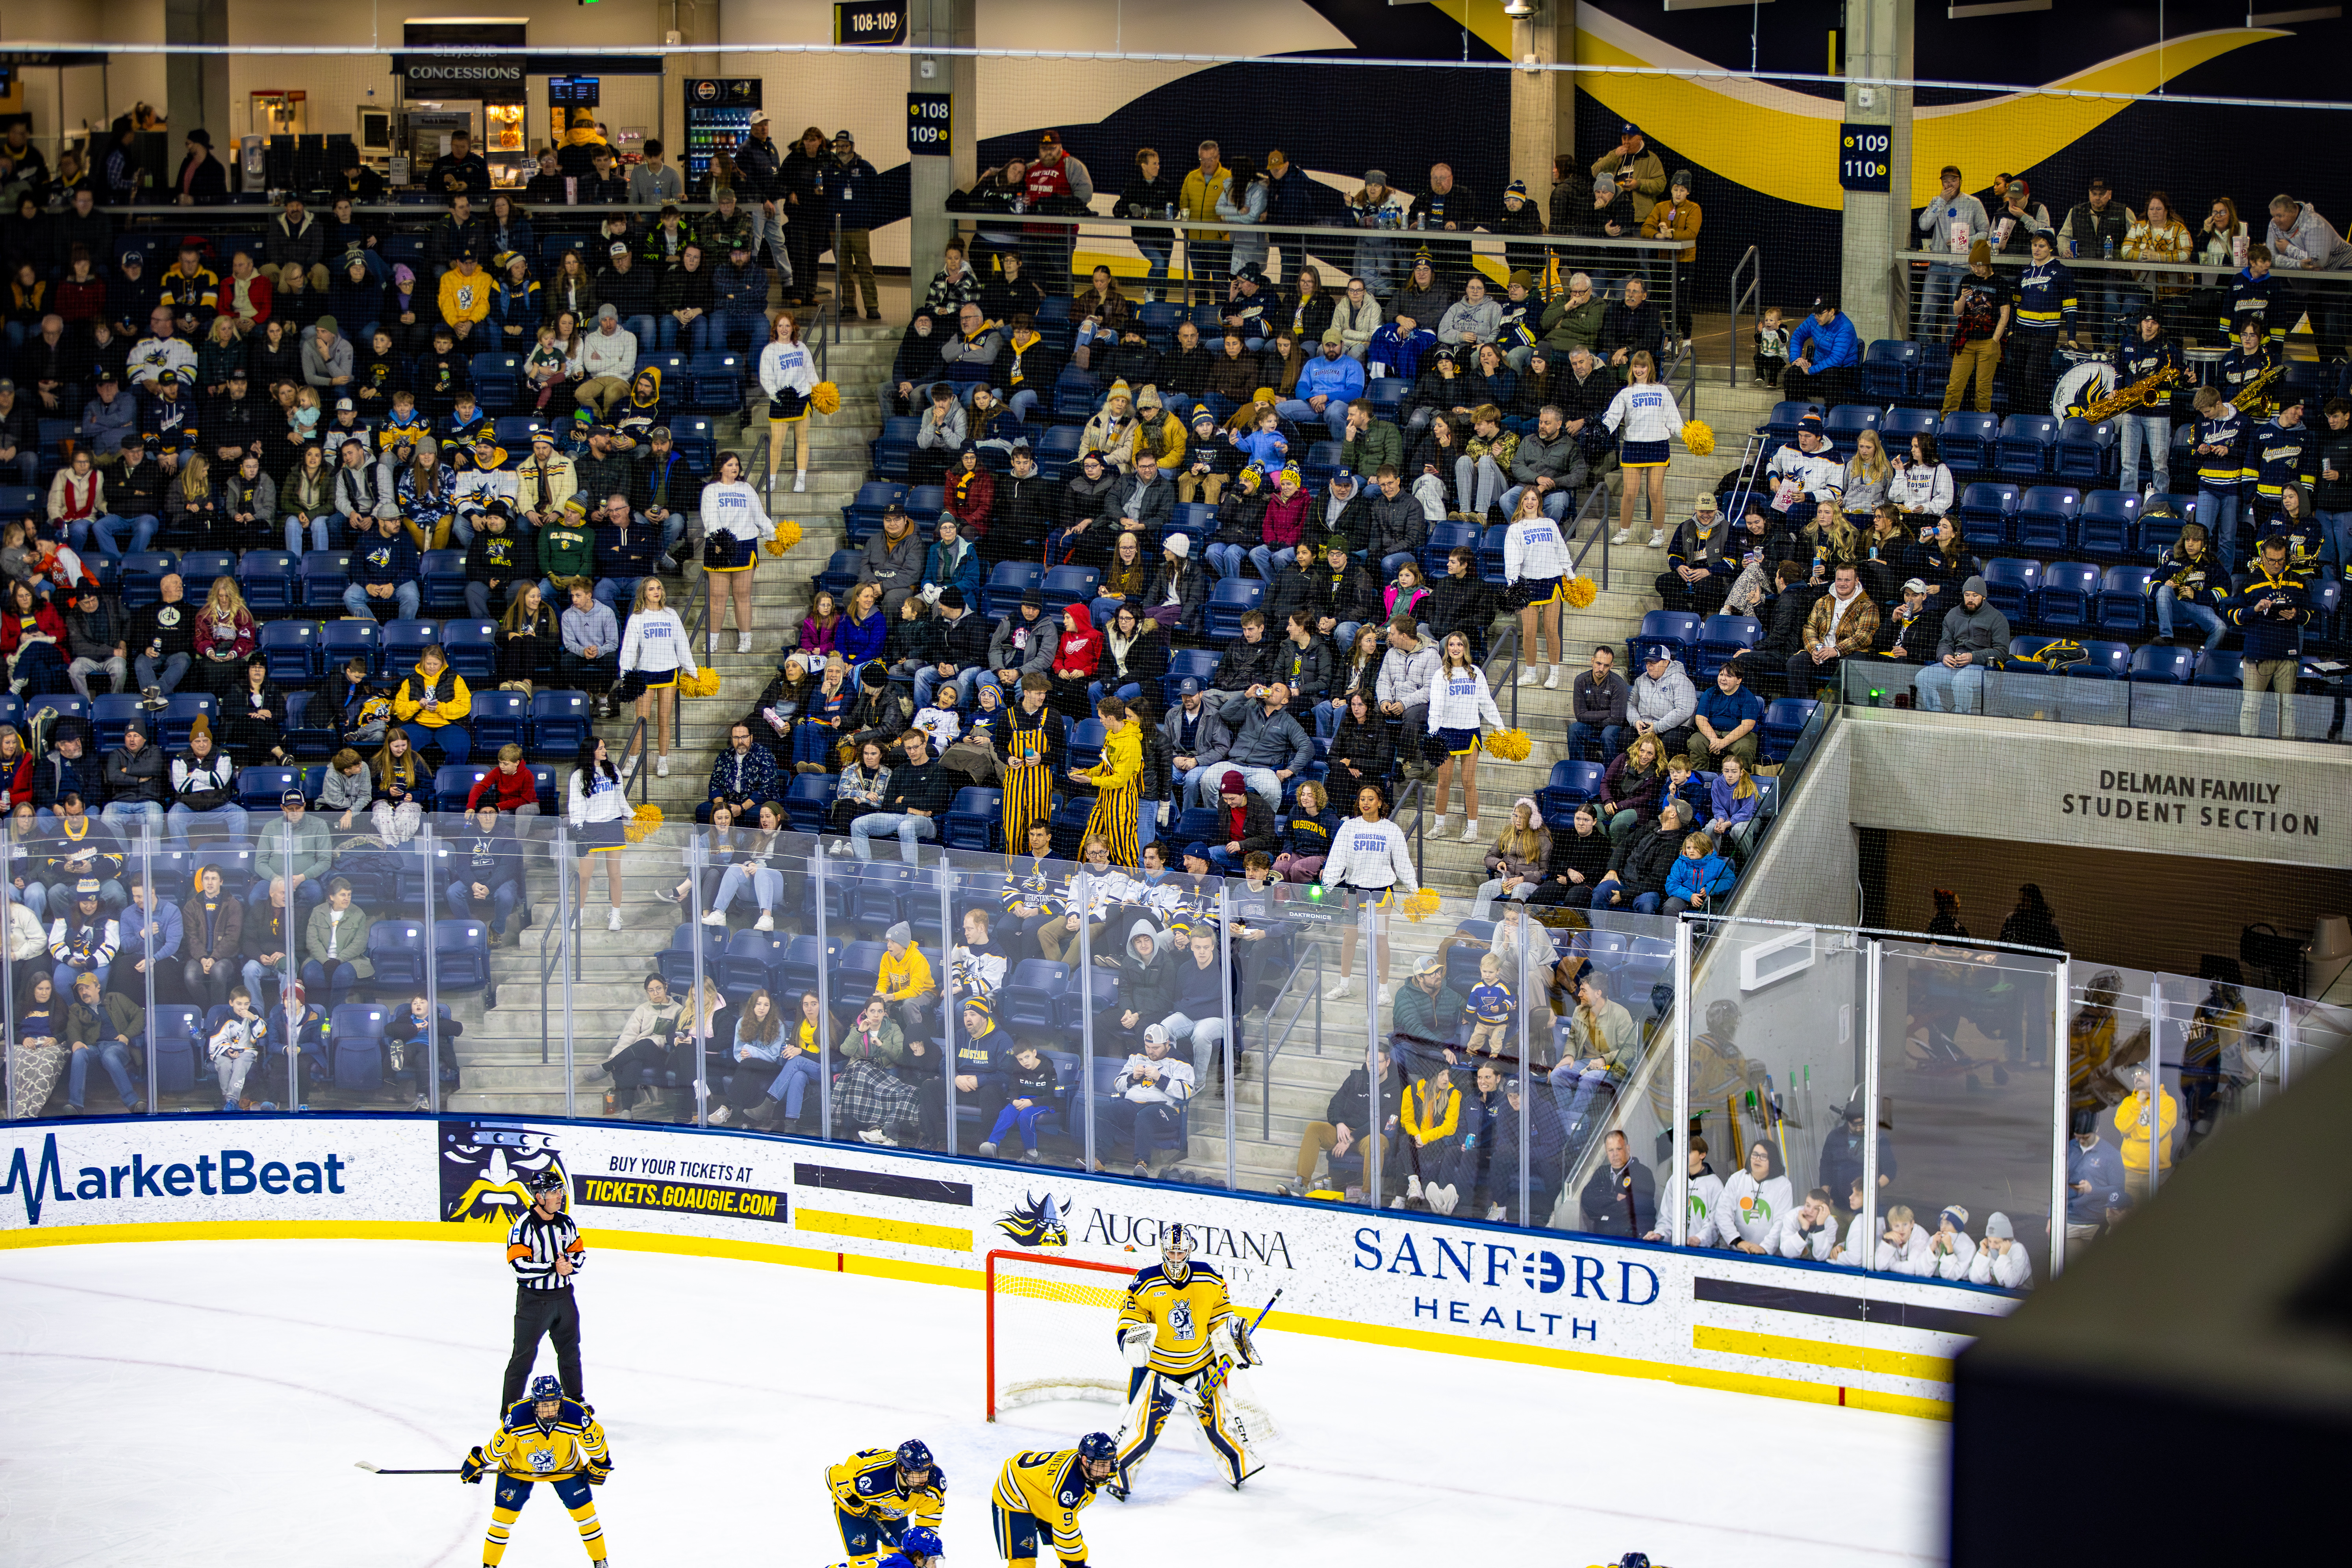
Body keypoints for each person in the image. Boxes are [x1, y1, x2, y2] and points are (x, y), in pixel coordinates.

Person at [1318, 784, 1418, 1001]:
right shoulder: (1349, 827)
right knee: (1349, 939)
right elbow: (1337, 858)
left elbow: (1403, 863)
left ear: (1380, 803)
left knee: (1380, 939)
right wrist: (1328, 885)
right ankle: (1344, 985)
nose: (1365, 803)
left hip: (1382, 894)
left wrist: (1415, 889)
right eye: (1362, 799)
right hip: (1354, 892)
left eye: (1371, 799)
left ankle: (1383, 990)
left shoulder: (1391, 830)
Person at [2229, 531, 2309, 738]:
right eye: (2272, 560)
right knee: (2251, 707)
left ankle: (2287, 752)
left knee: (2287, 708)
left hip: (2288, 655)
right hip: (2257, 654)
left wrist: (2296, 614)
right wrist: (2254, 610)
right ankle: (2248, 750)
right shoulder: (2250, 582)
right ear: (2262, 557)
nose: (2276, 565)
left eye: (2281, 560)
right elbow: (2234, 616)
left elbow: (2310, 615)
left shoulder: (2298, 582)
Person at [567, 737, 630, 932]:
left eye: (605, 747)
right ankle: (579, 915)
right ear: (590, 752)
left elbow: (621, 799)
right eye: (600, 748)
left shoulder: (613, 770)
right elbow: (576, 806)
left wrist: (634, 816)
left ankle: (616, 916)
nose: (605, 751)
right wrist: (577, 830)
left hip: (613, 825)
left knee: (615, 874)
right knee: (584, 876)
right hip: (589, 828)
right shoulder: (578, 776)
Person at [1941, 242, 2011, 416]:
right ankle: (1945, 419)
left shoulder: (2000, 283)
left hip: (1988, 341)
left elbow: (2005, 315)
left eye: (1979, 266)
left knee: (1983, 387)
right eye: (1972, 266)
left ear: (1987, 264)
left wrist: (1995, 340)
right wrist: (1964, 298)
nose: (1976, 270)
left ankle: (1981, 421)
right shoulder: (1967, 280)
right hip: (1966, 341)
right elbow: (1957, 311)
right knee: (1955, 384)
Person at [1784, 300, 1860, 408]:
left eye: (1820, 314)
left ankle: (1830, 415)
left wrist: (1810, 371)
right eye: (1815, 313)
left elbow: (1835, 360)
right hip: (1819, 364)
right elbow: (1798, 335)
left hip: (1844, 370)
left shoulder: (1845, 328)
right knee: (1793, 373)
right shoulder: (1813, 320)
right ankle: (1794, 409)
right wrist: (1796, 359)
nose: (1816, 316)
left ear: (1832, 312)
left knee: (1831, 374)